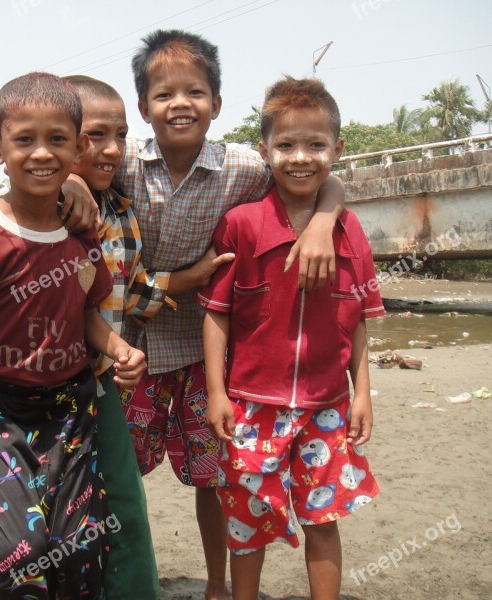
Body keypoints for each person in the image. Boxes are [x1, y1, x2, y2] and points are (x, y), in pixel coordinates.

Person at [112, 30, 347, 599]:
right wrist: (71, 179)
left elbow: (318, 175)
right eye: (164, 94)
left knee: (213, 476)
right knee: (117, 472)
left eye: (195, 91)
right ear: (143, 107)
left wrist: (322, 221)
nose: (180, 104)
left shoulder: (244, 165)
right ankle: (119, 579)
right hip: (130, 345)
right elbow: (74, 167)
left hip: (206, 346)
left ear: (217, 103)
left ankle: (217, 585)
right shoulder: (122, 163)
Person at [0, 72, 146, 600]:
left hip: (74, 408)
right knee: (24, 548)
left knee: (78, 546)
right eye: (24, 140)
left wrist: (119, 348)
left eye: (57, 140)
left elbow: (88, 316)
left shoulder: (81, 234)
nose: (41, 154)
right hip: (3, 415)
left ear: (78, 149)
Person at [199, 77, 382, 600]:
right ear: (265, 151)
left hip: (327, 405)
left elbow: (359, 317)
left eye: (316, 145)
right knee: (247, 521)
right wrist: (217, 392)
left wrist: (362, 391)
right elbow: (217, 316)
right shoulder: (241, 224)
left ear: (337, 150)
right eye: (285, 145)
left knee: (323, 519)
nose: (300, 158)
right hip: (253, 405)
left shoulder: (350, 231)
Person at [62, 73, 167, 600]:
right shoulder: (43, 206)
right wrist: (68, 183)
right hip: (42, 391)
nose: (111, 149)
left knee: (123, 501)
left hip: (102, 383)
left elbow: (136, 290)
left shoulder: (121, 212)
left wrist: (197, 279)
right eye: (94, 135)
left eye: (121, 135)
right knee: (52, 510)